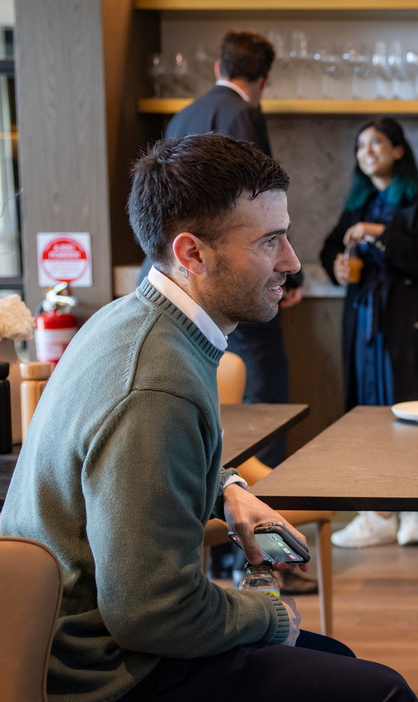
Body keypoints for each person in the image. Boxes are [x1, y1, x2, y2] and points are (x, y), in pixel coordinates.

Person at [0, 133, 418, 702]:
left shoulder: (131, 323)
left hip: (67, 653)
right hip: (101, 683)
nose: (290, 260)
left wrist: (229, 489)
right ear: (192, 252)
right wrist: (269, 613)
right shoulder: (157, 384)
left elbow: (137, 469)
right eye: (267, 242)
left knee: (337, 667)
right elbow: (152, 613)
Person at [160, 29, 303, 470]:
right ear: (266, 77)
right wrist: (288, 276)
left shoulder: (181, 117)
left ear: (220, 68)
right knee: (265, 398)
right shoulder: (243, 116)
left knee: (207, 396)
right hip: (234, 277)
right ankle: (259, 525)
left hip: (182, 281)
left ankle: (223, 522)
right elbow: (263, 211)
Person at [319, 118, 418, 548]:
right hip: (365, 324)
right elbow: (328, 248)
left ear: (398, 150)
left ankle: (416, 510)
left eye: (375, 142)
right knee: (367, 410)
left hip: (408, 324)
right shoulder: (356, 204)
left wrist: (379, 234)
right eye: (360, 146)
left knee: (412, 411)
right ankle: (376, 513)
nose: (366, 151)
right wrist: (337, 267)